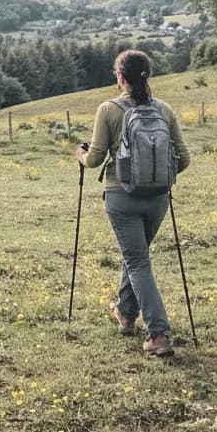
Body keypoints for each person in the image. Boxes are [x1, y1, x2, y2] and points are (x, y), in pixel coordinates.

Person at [76, 49, 190, 357]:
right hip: (157, 199)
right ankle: (125, 314)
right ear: (148, 76)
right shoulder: (164, 110)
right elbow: (184, 158)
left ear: (120, 76)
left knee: (138, 261)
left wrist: (81, 156)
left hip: (121, 196)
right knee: (136, 256)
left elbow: (96, 158)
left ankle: (159, 334)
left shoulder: (109, 109)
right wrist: (159, 179)